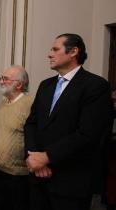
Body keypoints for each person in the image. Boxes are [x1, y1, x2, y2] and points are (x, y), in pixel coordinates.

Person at [24, 33, 114, 210]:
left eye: (55, 49)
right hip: (38, 177)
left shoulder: (96, 86)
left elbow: (88, 134)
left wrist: (47, 156)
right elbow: (31, 123)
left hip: (70, 182)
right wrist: (34, 156)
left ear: (73, 51)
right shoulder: (45, 85)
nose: (49, 54)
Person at [0, 65, 32, 210]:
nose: (1, 81)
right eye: (1, 78)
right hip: (0, 170)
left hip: (19, 176)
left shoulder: (29, 104)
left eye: (6, 79)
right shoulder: (4, 103)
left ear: (19, 84)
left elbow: (34, 137)